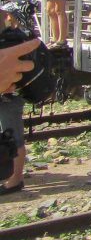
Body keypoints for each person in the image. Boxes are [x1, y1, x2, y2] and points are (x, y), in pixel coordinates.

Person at [0, 34, 40, 195]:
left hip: (9, 97)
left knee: (13, 139)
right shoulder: (8, 39)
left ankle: (15, 179)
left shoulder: (8, 42)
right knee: (11, 138)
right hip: (8, 95)